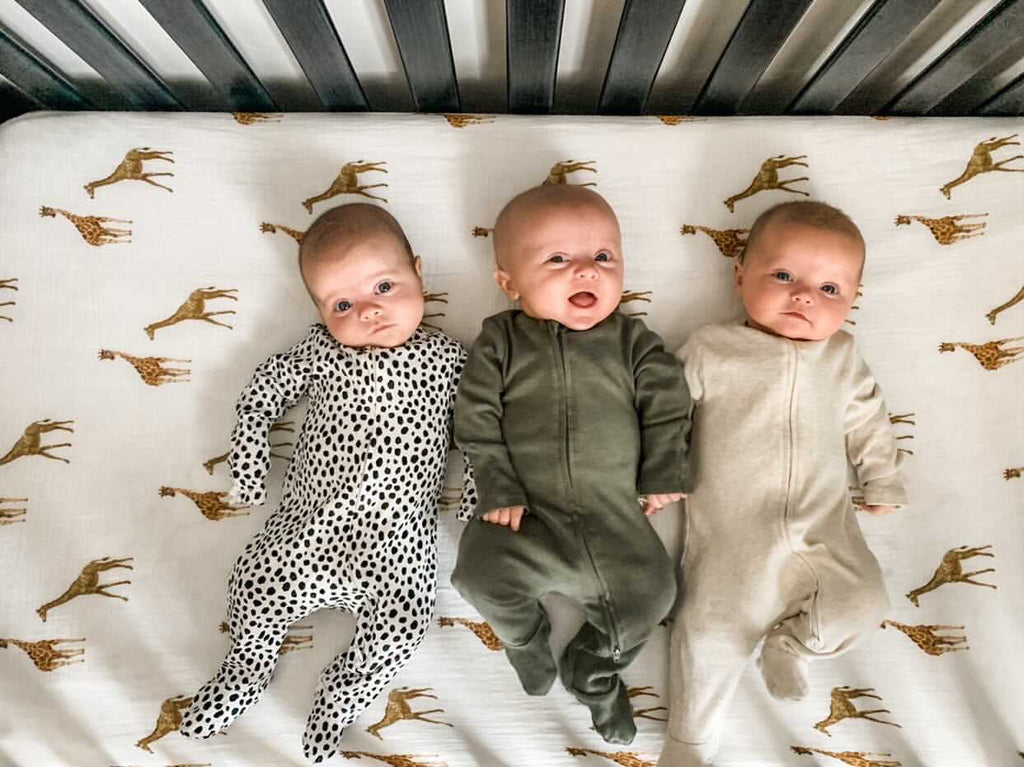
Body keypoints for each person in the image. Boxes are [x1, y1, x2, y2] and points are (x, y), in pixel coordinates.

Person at [178, 203, 475, 764]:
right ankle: (246, 669)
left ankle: (339, 699)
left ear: (418, 272)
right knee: (255, 587)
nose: (368, 311)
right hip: (309, 531)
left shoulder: (450, 359)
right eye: (343, 304)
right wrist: (249, 458)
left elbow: (484, 428)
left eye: (385, 286)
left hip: (396, 544)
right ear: (319, 310)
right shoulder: (320, 350)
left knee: (404, 623)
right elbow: (263, 392)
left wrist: (482, 493)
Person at [659, 201, 906, 767]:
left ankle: (794, 643)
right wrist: (660, 471)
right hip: (734, 541)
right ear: (739, 275)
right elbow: (666, 413)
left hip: (826, 533)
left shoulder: (841, 357)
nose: (803, 296)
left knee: (866, 601)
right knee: (708, 634)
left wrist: (882, 480)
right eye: (784, 276)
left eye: (829, 289)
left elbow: (868, 418)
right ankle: (690, 744)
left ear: (853, 300)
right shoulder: (711, 347)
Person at [452, 184, 692, 745]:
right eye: (557, 259)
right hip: (526, 519)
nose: (586, 271)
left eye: (603, 258)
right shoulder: (502, 340)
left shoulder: (632, 340)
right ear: (509, 284)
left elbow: (668, 401)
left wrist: (663, 470)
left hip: (615, 526)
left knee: (656, 594)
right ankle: (523, 637)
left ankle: (594, 669)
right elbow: (476, 415)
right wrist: (497, 485)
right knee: (477, 573)